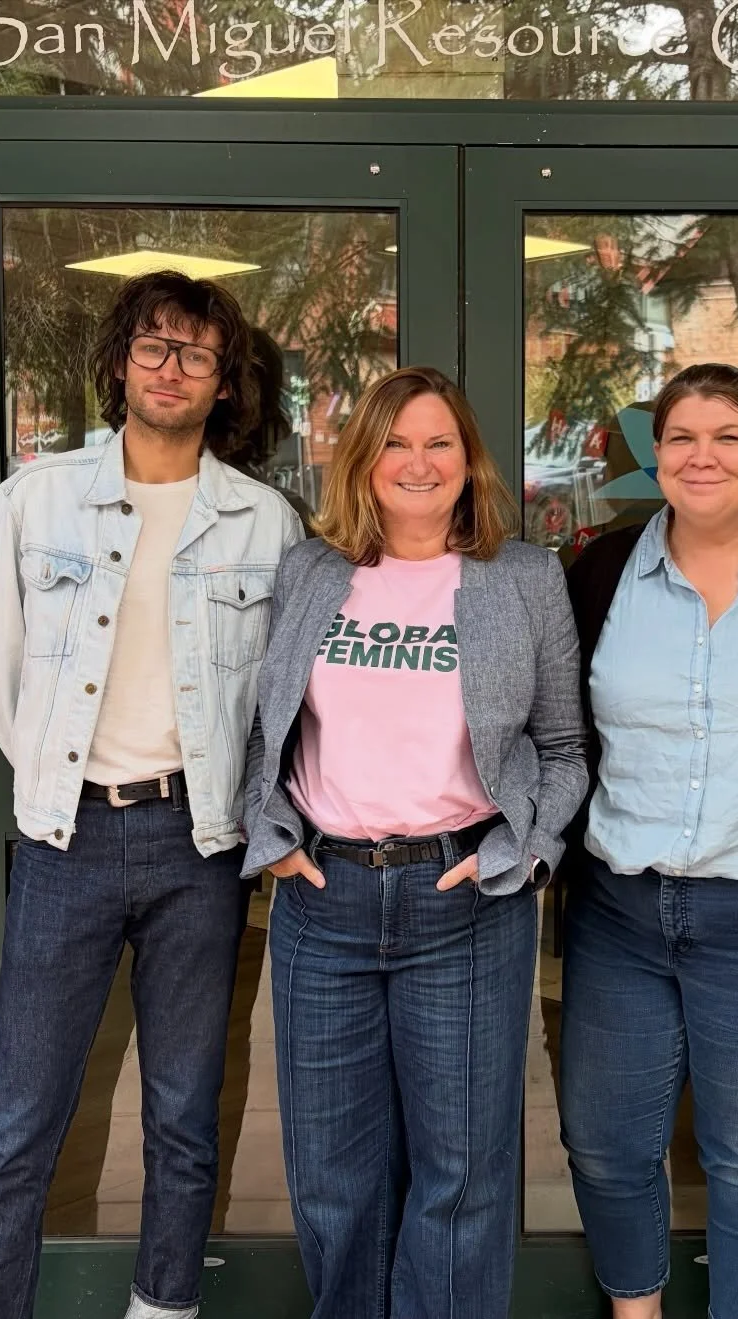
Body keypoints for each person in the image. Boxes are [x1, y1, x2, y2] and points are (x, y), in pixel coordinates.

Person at [0, 270, 302, 1319]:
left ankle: (162, 1306)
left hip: (198, 842)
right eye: (153, 345)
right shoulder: (36, 497)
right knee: (22, 1118)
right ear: (119, 363)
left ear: (223, 381)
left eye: (195, 352)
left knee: (184, 1114)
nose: (170, 366)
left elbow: (282, 701)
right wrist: (54, 778)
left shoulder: (264, 523)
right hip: (65, 837)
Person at [243, 365, 586, 1319]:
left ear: (469, 461)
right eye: (396, 441)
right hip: (326, 895)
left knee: (463, 1180)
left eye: (439, 442)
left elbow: (562, 748)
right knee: (332, 1179)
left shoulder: (521, 578)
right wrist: (269, 836)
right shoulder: (313, 572)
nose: (419, 462)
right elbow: (261, 723)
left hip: (464, 896)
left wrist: (526, 849)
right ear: (364, 459)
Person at [559, 363, 738, 1319]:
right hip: (621, 911)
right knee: (605, 1142)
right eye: (681, 436)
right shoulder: (601, 571)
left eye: (728, 436)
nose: (702, 455)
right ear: (656, 457)